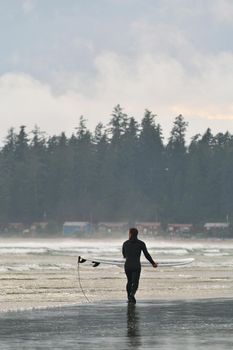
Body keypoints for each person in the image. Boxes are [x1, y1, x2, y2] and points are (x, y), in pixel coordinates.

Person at [122, 227, 157, 304]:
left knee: (129, 281)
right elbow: (146, 255)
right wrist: (153, 263)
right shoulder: (141, 243)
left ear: (130, 234)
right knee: (135, 282)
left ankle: (129, 297)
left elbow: (124, 255)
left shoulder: (125, 243)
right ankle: (132, 295)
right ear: (137, 234)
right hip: (136, 266)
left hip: (127, 265)